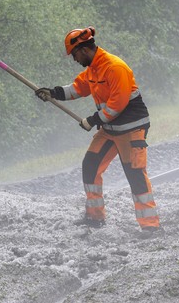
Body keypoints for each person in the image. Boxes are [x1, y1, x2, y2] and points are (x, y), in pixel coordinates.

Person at [35, 26, 160, 234]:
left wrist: (91, 121)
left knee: (135, 175)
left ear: (83, 50)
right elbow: (77, 88)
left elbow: (116, 105)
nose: (74, 59)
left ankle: (151, 227)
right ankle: (95, 217)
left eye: (74, 54)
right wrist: (53, 92)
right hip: (111, 128)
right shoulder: (93, 69)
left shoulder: (114, 67)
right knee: (91, 165)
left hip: (131, 129)